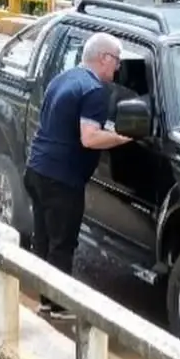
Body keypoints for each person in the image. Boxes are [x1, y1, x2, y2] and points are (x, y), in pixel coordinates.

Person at [23, 32, 132, 319]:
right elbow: (90, 138)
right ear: (104, 58)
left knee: (43, 239)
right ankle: (58, 305)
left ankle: (45, 299)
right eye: (117, 61)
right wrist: (124, 137)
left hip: (36, 169)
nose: (118, 68)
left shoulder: (64, 78)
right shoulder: (94, 90)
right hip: (61, 179)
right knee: (62, 244)